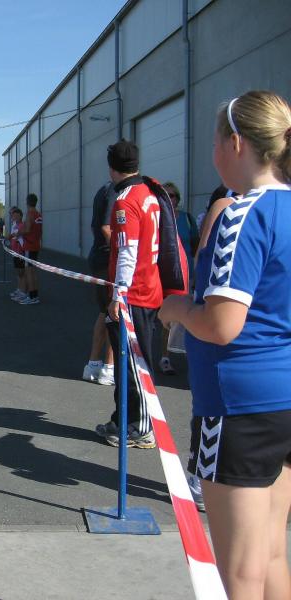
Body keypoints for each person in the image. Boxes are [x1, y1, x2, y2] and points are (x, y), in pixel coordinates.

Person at [160, 90, 291, 598]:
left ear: (236, 143)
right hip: (282, 399)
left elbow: (220, 324)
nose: (213, 153)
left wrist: (175, 309)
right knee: (272, 551)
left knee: (238, 572)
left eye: (215, 142)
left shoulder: (242, 215)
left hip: (239, 407)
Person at [94, 140, 161, 449]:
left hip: (135, 294)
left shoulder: (126, 201)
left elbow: (127, 252)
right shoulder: (149, 193)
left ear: (112, 168)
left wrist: (118, 295)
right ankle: (124, 419)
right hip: (146, 288)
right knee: (128, 364)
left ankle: (141, 426)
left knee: (134, 365)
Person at [158, 181, 199, 375]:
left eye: (172, 195)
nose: (169, 198)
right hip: (164, 275)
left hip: (186, 274)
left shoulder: (187, 219)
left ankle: (188, 355)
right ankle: (164, 357)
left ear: (177, 198)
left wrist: (197, 274)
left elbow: (197, 247)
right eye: (165, 195)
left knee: (187, 314)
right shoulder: (157, 218)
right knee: (166, 316)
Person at [82, 181, 116, 385]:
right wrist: (123, 253)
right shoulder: (113, 191)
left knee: (105, 312)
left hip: (101, 258)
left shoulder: (105, 190)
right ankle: (109, 368)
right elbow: (106, 226)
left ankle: (93, 365)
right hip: (108, 260)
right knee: (115, 312)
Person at [19, 193, 43, 305]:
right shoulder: (38, 214)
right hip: (36, 245)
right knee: (33, 272)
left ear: (27, 202)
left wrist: (19, 233)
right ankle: (34, 296)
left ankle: (32, 296)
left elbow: (27, 229)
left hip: (29, 246)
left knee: (29, 272)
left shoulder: (30, 214)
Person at [7, 207, 28, 303]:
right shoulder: (14, 225)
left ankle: (24, 292)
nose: (13, 217)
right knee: (18, 272)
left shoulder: (22, 225)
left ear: (20, 216)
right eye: (12, 215)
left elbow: (16, 235)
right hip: (15, 252)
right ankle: (20, 289)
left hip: (20, 252)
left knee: (22, 272)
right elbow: (11, 236)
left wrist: (11, 236)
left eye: (15, 215)